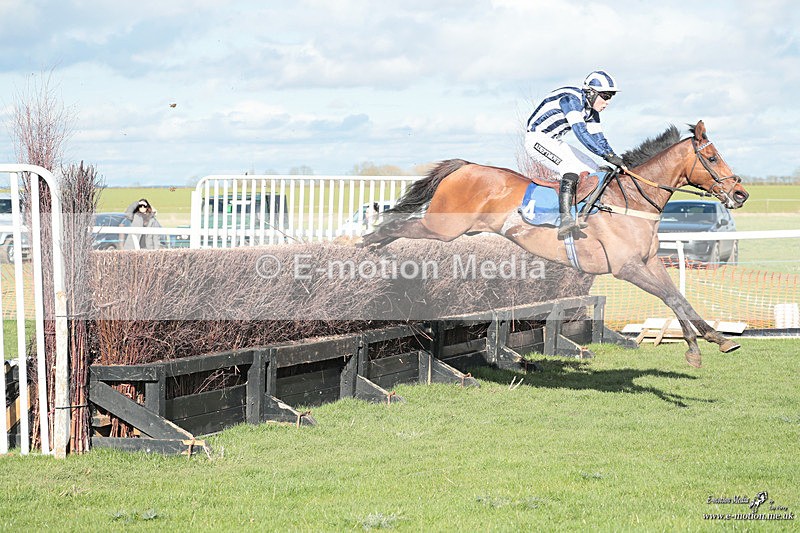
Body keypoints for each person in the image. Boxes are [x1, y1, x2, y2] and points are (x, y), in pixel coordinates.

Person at [525, 70, 627, 238]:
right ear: (591, 93)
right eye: (606, 96)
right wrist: (606, 155)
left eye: (610, 97)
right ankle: (565, 219)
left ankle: (584, 210)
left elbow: (599, 138)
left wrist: (614, 157)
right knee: (569, 168)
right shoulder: (571, 100)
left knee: (593, 168)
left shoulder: (591, 111)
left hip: (554, 141)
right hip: (536, 139)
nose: (608, 102)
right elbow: (581, 133)